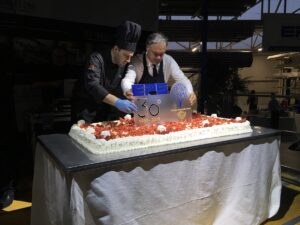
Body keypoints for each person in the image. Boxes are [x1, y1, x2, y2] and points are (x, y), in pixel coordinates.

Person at [71, 21, 141, 123]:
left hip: (104, 108)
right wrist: (117, 102)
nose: (129, 60)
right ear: (116, 49)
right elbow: (93, 85)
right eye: (126, 55)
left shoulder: (123, 63)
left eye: (131, 56)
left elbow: (119, 85)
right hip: (84, 108)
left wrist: (127, 93)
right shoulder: (96, 58)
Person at [121, 32, 196, 105]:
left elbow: (182, 79)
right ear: (147, 48)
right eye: (155, 54)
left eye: (161, 54)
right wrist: (128, 90)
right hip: (141, 108)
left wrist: (190, 92)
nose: (158, 57)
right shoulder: (137, 61)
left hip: (162, 107)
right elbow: (127, 79)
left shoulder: (168, 60)